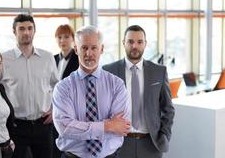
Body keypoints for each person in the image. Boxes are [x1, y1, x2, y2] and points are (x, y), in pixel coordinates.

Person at [52, 25, 131, 158]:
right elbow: (65, 128)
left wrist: (79, 127)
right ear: (76, 49)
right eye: (84, 48)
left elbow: (121, 127)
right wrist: (108, 125)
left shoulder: (116, 85)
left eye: (94, 47)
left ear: (102, 49)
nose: (89, 53)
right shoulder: (63, 88)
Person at [103, 25, 175, 158]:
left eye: (139, 42)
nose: (135, 46)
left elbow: (168, 109)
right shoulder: (109, 71)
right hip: (118, 144)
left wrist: (164, 135)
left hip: (151, 144)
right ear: (124, 43)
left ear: (145, 44)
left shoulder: (159, 72)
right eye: (130, 41)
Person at [0, 14, 59, 158]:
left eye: (29, 28)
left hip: (43, 125)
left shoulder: (47, 57)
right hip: (16, 127)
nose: (26, 32)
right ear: (14, 32)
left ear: (34, 31)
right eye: (21, 29)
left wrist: (55, 110)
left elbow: (58, 87)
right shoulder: (3, 59)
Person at [53, 25, 79, 157]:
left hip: (72, 110)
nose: (62, 40)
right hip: (53, 110)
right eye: (59, 37)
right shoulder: (52, 59)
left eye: (66, 37)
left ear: (73, 39)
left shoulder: (79, 59)